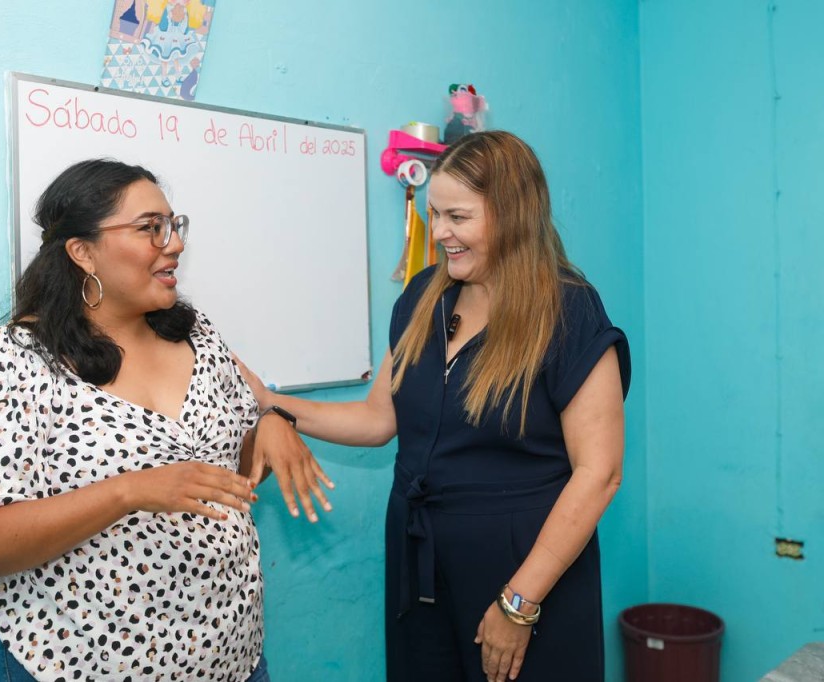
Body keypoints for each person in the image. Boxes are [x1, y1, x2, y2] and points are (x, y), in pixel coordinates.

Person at [0, 159, 331, 681]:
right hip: (83, 664)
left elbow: (221, 478)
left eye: (174, 225)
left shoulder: (196, 334)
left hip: (230, 656)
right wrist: (127, 491)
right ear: (83, 252)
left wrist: (269, 425)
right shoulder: (14, 361)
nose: (175, 244)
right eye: (151, 227)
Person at [238, 131, 630, 682]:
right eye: (435, 214)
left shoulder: (568, 311)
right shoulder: (424, 297)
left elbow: (599, 473)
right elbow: (379, 419)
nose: (441, 232)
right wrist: (270, 403)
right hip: (419, 560)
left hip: (526, 566)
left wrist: (519, 603)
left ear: (513, 216)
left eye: (458, 217)